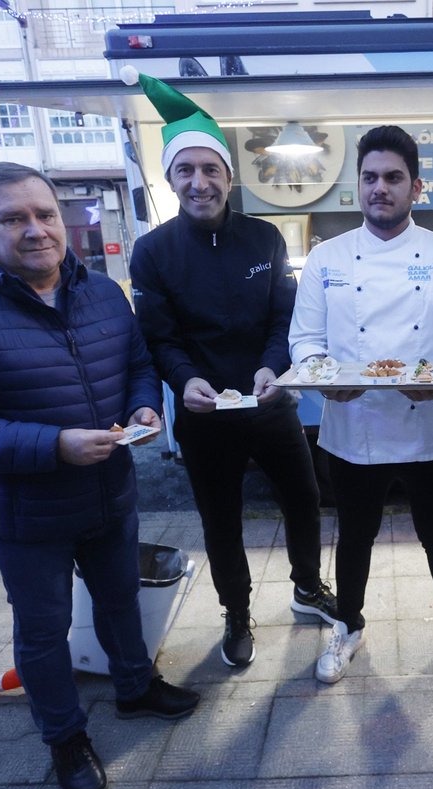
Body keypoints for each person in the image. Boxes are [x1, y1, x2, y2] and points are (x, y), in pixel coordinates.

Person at [0, 162, 198, 789]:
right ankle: (64, 735)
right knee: (43, 627)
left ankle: (135, 687)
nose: (36, 230)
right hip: (25, 511)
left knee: (120, 601)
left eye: (46, 214)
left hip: (108, 491)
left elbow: (137, 365)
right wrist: (52, 446)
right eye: (14, 218)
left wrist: (144, 407)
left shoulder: (102, 293)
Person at [125, 70, 336, 670]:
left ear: (229, 176)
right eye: (185, 170)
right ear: (170, 179)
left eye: (210, 169)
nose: (199, 182)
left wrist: (274, 367)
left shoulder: (264, 239)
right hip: (202, 411)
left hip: (269, 402)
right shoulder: (153, 252)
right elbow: (159, 336)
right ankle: (237, 615)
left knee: (304, 496)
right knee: (221, 521)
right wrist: (184, 380)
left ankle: (306, 586)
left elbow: (283, 319)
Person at [289, 125, 433, 687]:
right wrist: (323, 378)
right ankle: (348, 625)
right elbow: (304, 341)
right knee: (353, 536)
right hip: (352, 424)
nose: (381, 187)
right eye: (371, 177)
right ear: (357, 186)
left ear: (415, 187)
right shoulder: (326, 258)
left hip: (428, 422)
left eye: (394, 178)